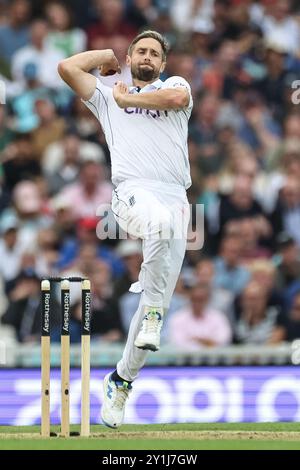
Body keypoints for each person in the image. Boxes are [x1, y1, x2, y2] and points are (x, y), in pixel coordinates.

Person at [58, 30, 193, 428]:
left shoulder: (175, 85)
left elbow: (176, 100)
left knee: (158, 301)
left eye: (155, 53)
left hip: (175, 198)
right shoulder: (106, 94)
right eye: (141, 51)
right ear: (131, 56)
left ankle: (120, 380)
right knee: (160, 227)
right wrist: (105, 55)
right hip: (131, 193)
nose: (148, 57)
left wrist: (128, 98)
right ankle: (150, 309)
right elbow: (67, 68)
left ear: (163, 63)